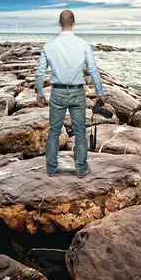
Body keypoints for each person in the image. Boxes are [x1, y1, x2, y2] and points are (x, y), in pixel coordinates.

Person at [35, 10, 104, 178]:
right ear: (74, 24)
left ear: (59, 24)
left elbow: (40, 72)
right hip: (77, 93)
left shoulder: (49, 45)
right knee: (80, 132)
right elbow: (93, 70)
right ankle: (81, 169)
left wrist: (39, 93)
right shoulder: (83, 45)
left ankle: (51, 169)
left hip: (57, 92)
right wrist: (99, 93)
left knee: (54, 131)